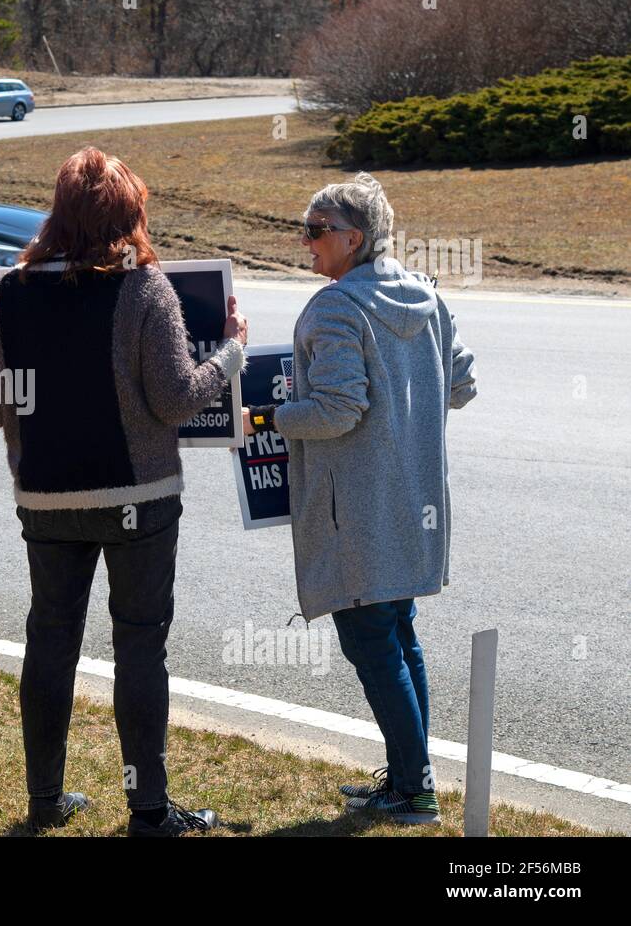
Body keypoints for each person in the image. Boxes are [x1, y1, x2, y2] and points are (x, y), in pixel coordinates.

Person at [0, 147, 248, 836]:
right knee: (139, 646)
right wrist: (232, 353)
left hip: (46, 499)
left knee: (50, 641)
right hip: (139, 497)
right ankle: (148, 812)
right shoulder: (144, 286)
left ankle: (45, 800)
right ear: (129, 212)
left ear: (59, 211)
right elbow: (178, 396)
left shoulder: (13, 288)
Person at [241, 172, 477, 824]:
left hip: (356, 511)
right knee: (397, 635)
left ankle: (415, 792)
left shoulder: (338, 307)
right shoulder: (426, 294)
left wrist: (270, 416)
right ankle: (409, 778)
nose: (306, 243)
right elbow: (462, 383)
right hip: (415, 500)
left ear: (354, 238)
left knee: (375, 645)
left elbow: (339, 410)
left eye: (317, 231)